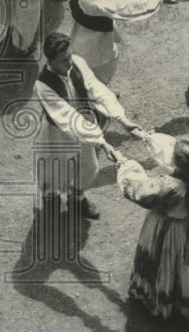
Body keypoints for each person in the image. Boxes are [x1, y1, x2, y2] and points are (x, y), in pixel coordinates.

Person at [34, 32, 143, 219]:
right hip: (58, 134)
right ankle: (51, 203)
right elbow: (68, 118)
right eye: (63, 61)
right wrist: (101, 142)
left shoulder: (76, 63)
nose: (69, 64)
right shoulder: (42, 86)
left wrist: (123, 120)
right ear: (50, 62)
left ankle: (77, 200)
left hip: (85, 128)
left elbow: (98, 89)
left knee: (87, 167)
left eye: (69, 56)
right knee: (55, 173)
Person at [120, 140, 189, 322]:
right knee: (187, 265)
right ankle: (187, 299)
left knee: (165, 264)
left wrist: (125, 167)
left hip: (168, 231)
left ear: (175, 163)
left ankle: (163, 302)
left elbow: (136, 192)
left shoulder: (168, 188)